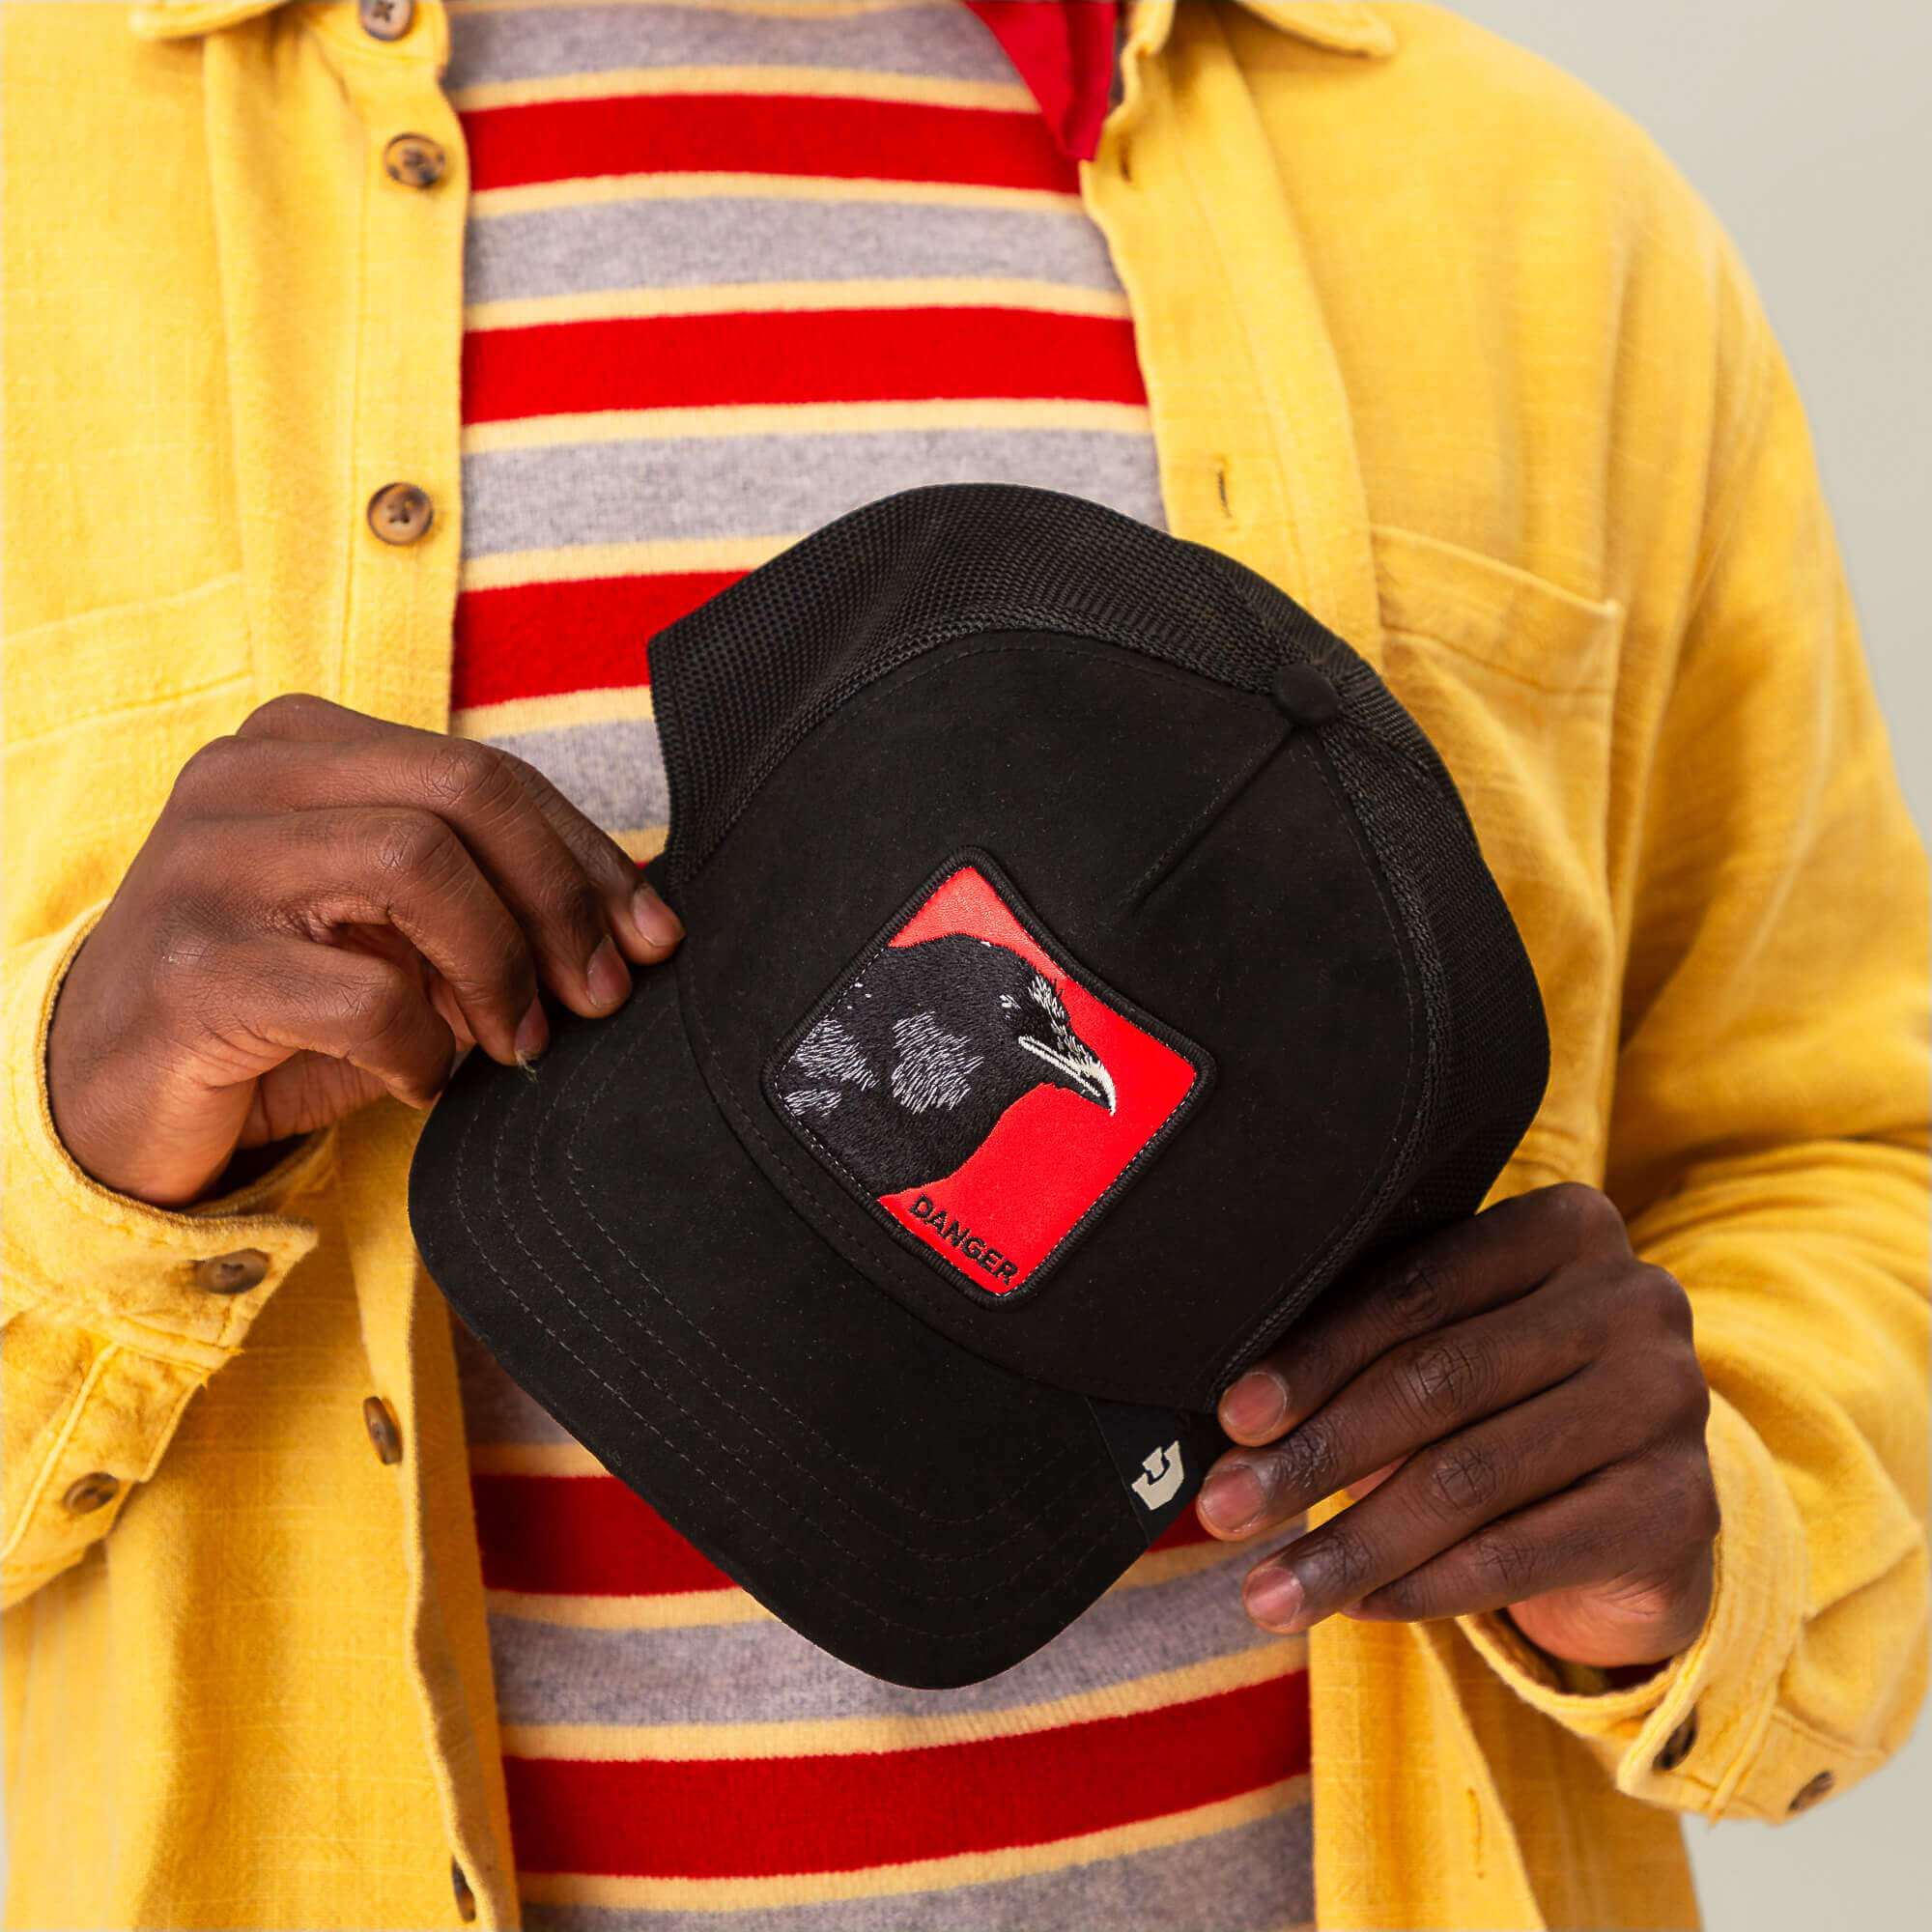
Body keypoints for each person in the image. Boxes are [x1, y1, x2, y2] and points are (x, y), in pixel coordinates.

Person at [3, 2, 1924, 1928]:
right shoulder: (46, 173)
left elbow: (1852, 1145)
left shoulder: (1543, 220)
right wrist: (65, 1143)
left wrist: (1722, 1509)